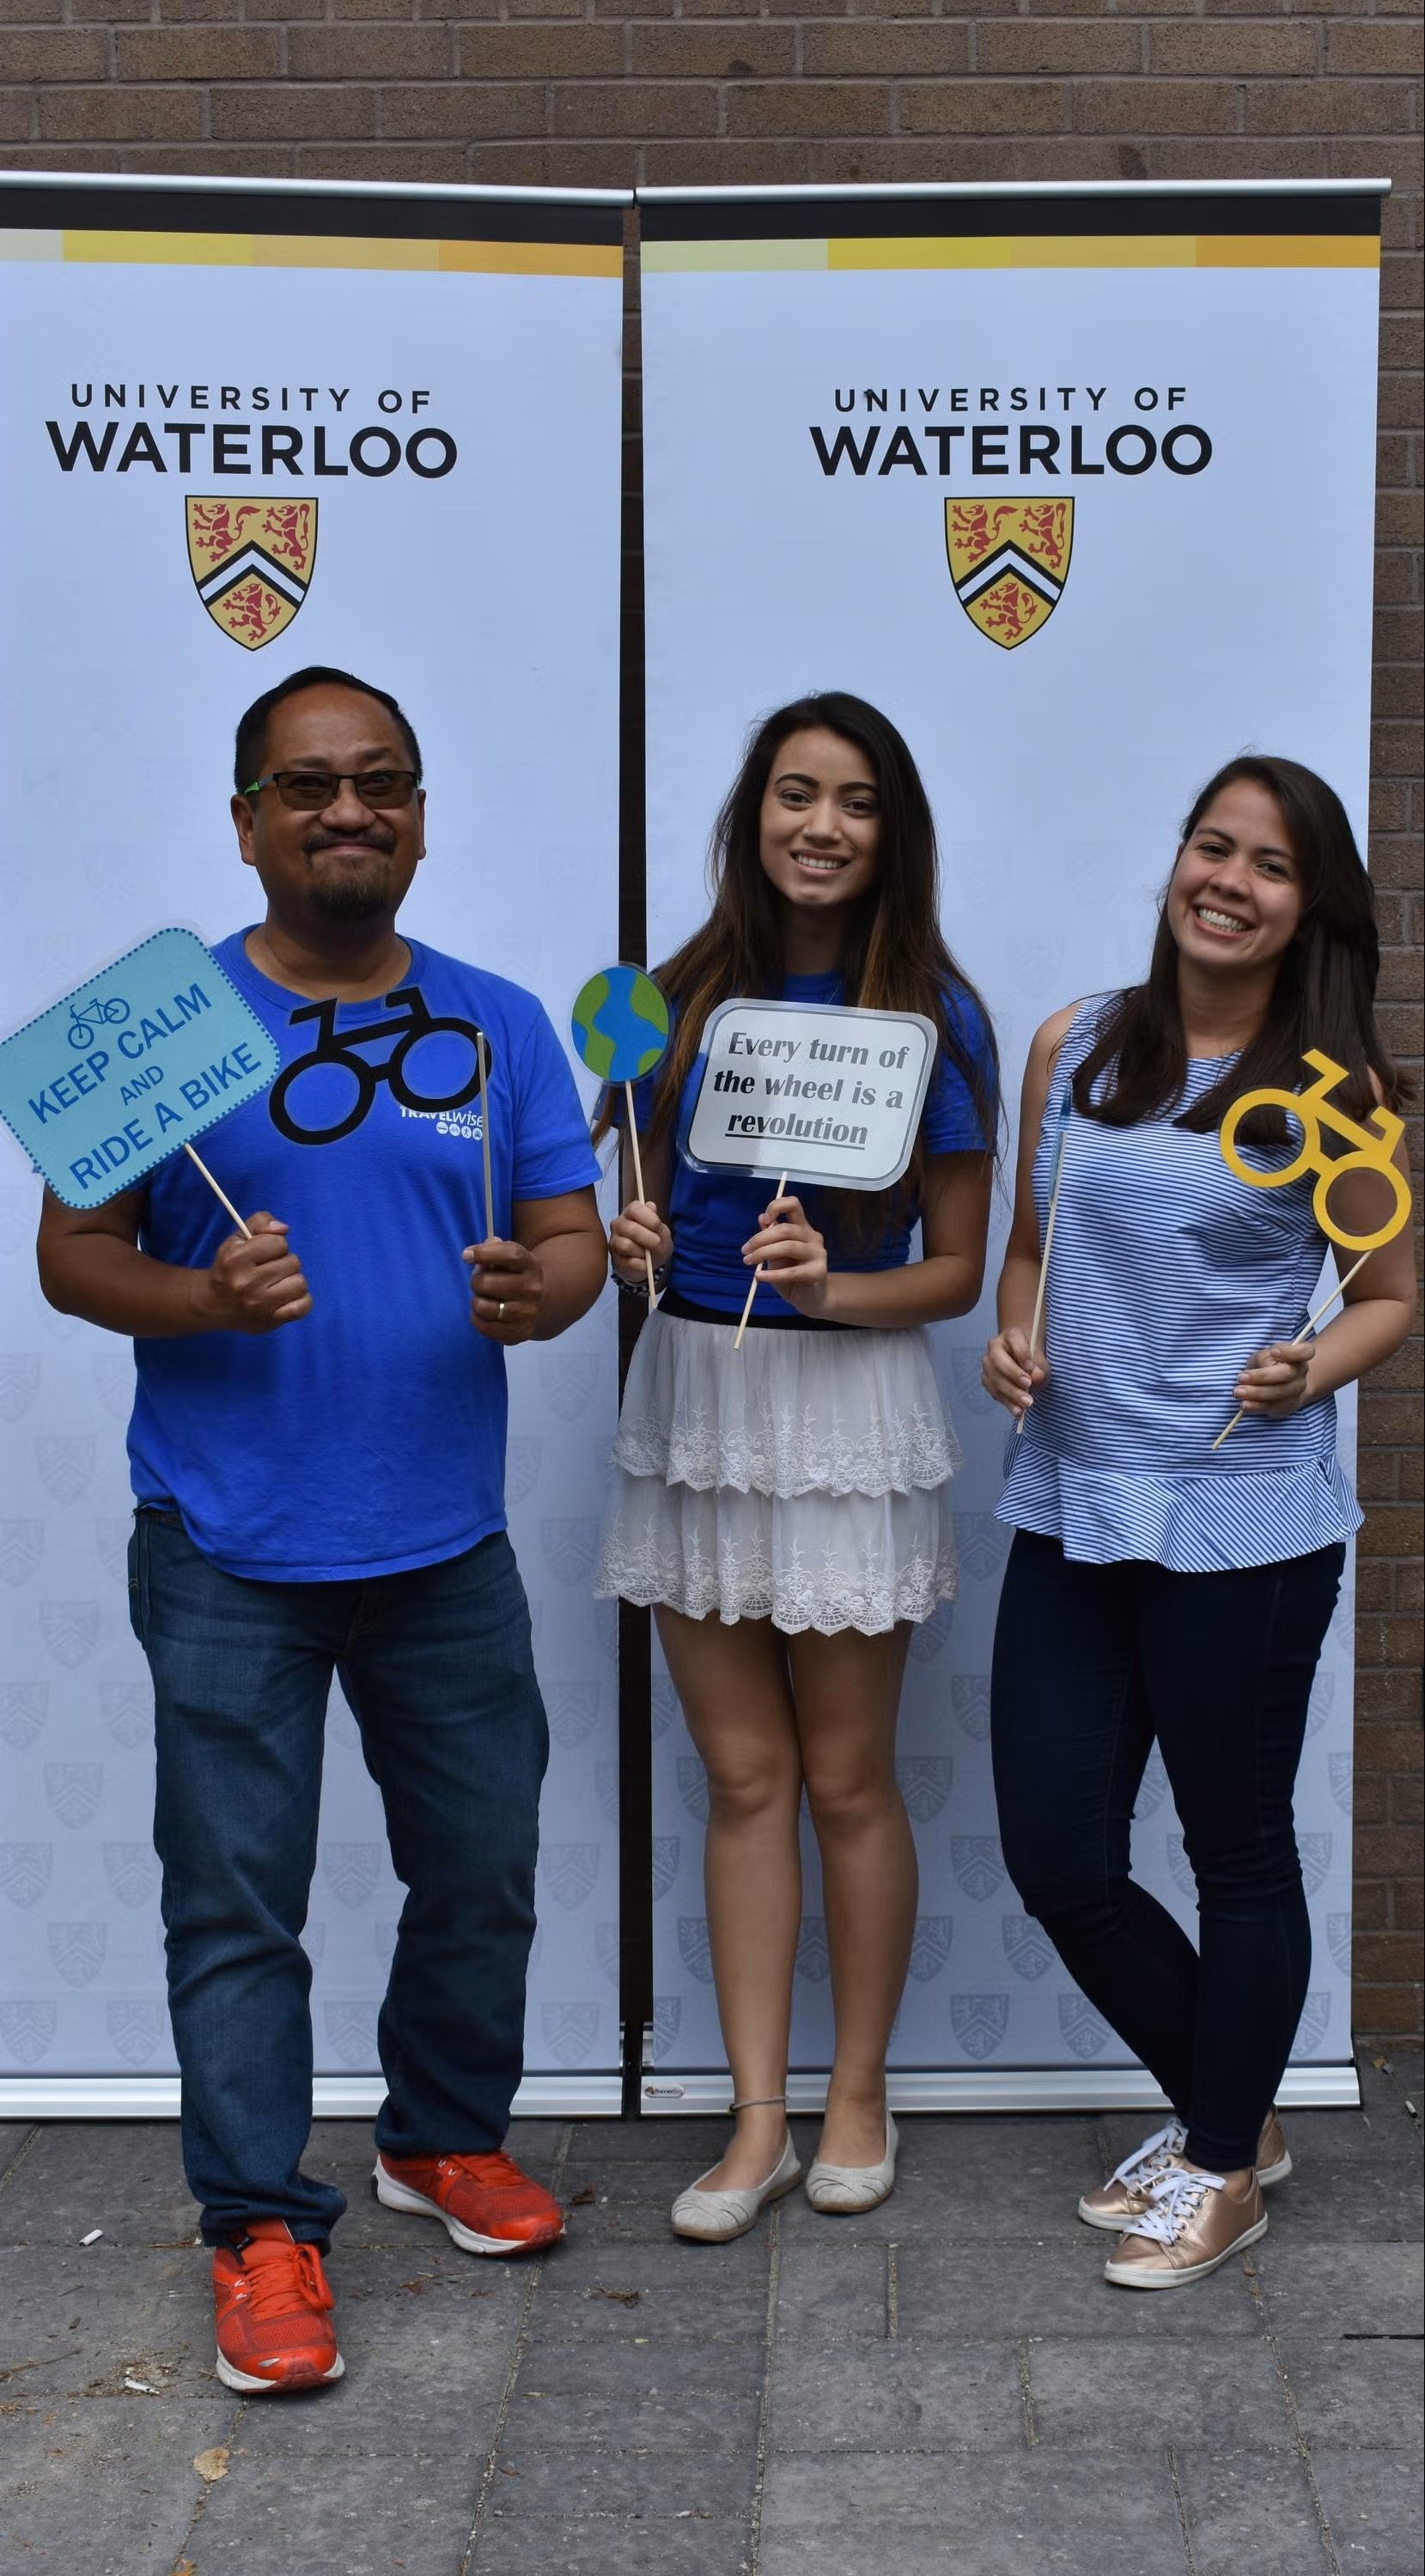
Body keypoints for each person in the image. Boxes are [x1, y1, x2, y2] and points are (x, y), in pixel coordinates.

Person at [37, 667, 607, 2391]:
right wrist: (198, 1298)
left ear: (421, 817)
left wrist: (539, 1293)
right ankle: (257, 2230)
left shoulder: (502, 1024)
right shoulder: (168, 1031)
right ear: (246, 822)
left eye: (379, 785)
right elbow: (73, 1258)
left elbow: (570, 1244)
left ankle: (437, 2135)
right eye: (307, 788)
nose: (346, 812)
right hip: (223, 1546)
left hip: (442, 1543)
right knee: (237, 1904)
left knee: (484, 1868)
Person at [982, 755, 1416, 2291]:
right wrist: (1010, 1334)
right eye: (1209, 848)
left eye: (1272, 866)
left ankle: (1222, 2161)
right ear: (1175, 865)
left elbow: (1391, 1300)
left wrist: (1314, 1366)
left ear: (1314, 912)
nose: (1227, 882)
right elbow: (1030, 1249)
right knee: (1059, 1852)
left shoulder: (1330, 1100)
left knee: (1237, 1854)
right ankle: (1239, 2112)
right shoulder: (1074, 1046)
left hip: (1242, 1514)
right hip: (1072, 1497)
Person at [596, 692, 998, 2239]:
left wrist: (832, 1282)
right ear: (749, 817)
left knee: (842, 1775)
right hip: (696, 1384)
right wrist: (629, 1234)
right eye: (791, 795)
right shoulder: (661, 1001)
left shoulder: (933, 1015)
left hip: (845, 1398)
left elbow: (956, 1271)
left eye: (854, 801)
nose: (819, 826)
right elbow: (626, 1188)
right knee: (743, 1776)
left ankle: (857, 2092)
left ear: (893, 829)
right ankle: (757, 2115)